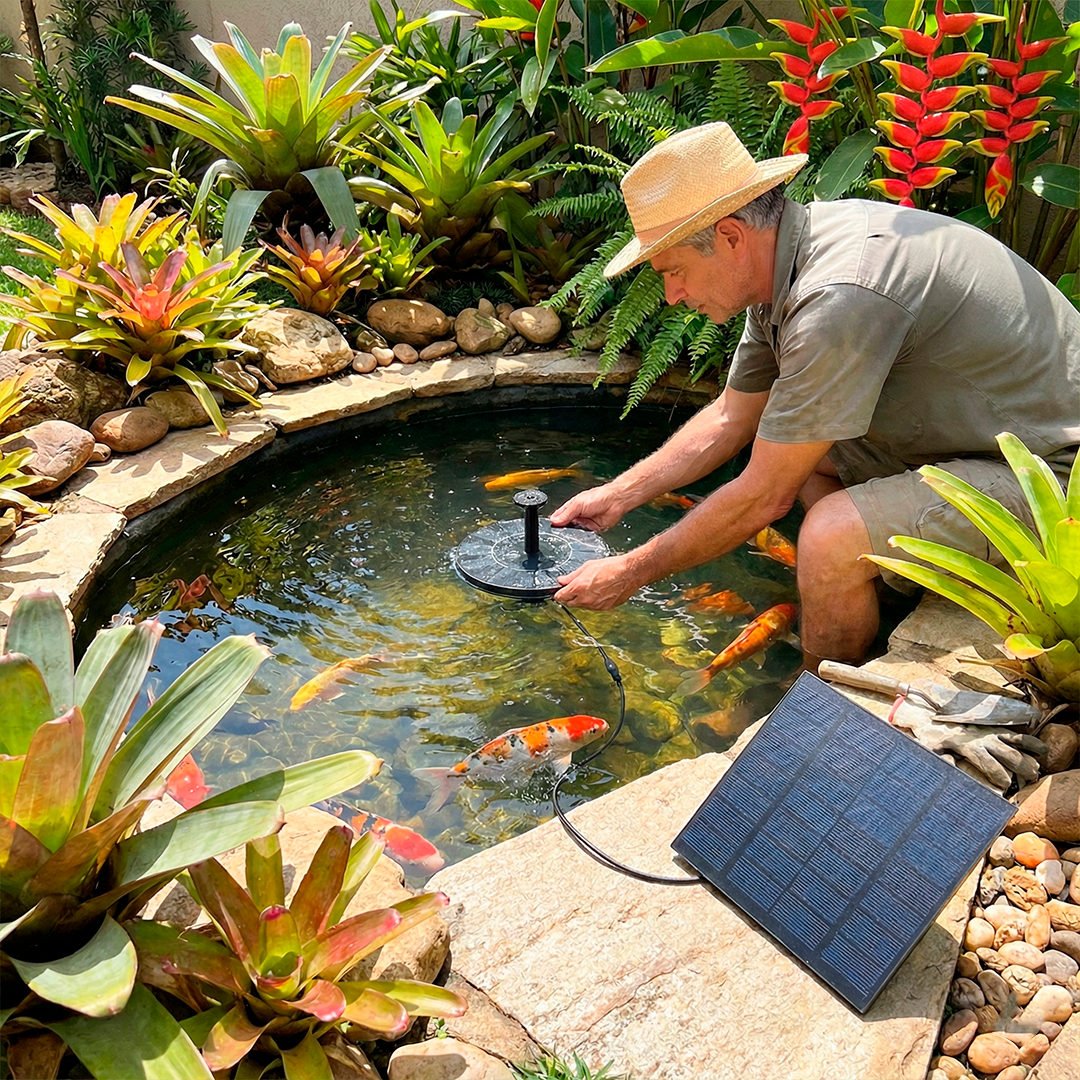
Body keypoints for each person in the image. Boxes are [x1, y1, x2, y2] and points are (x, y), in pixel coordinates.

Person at [550, 122, 1080, 672]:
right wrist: (619, 494)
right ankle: (862, 601)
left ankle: (821, 705)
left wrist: (629, 572)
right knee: (800, 457)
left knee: (829, 534)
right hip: (984, 442)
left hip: (1058, 483)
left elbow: (762, 499)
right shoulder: (785, 263)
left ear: (731, 236)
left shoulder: (837, 295)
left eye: (674, 270)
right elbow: (733, 416)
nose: (672, 295)